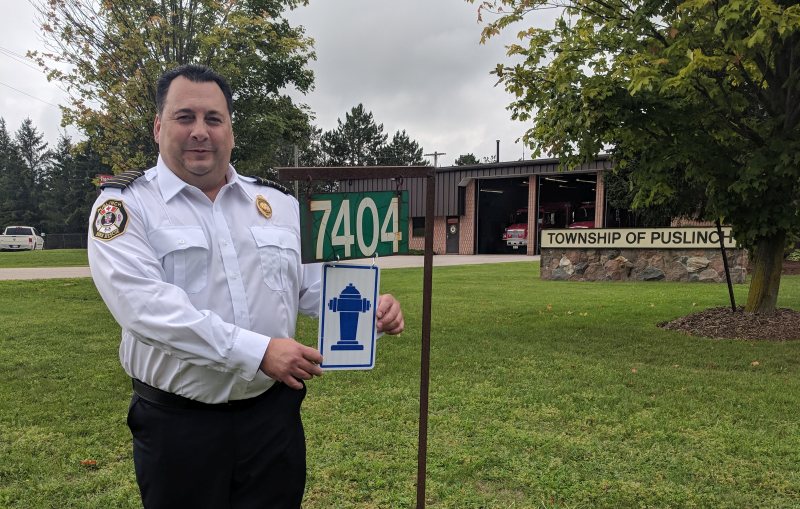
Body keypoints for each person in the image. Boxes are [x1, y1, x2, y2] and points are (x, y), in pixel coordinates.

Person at [88, 64, 404, 509]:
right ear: (159, 127)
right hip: (180, 428)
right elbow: (144, 308)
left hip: (272, 421)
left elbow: (309, 286)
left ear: (230, 131)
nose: (201, 131)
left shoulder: (277, 205)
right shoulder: (124, 206)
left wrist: (372, 309)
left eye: (213, 119)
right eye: (185, 117)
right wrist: (258, 352)